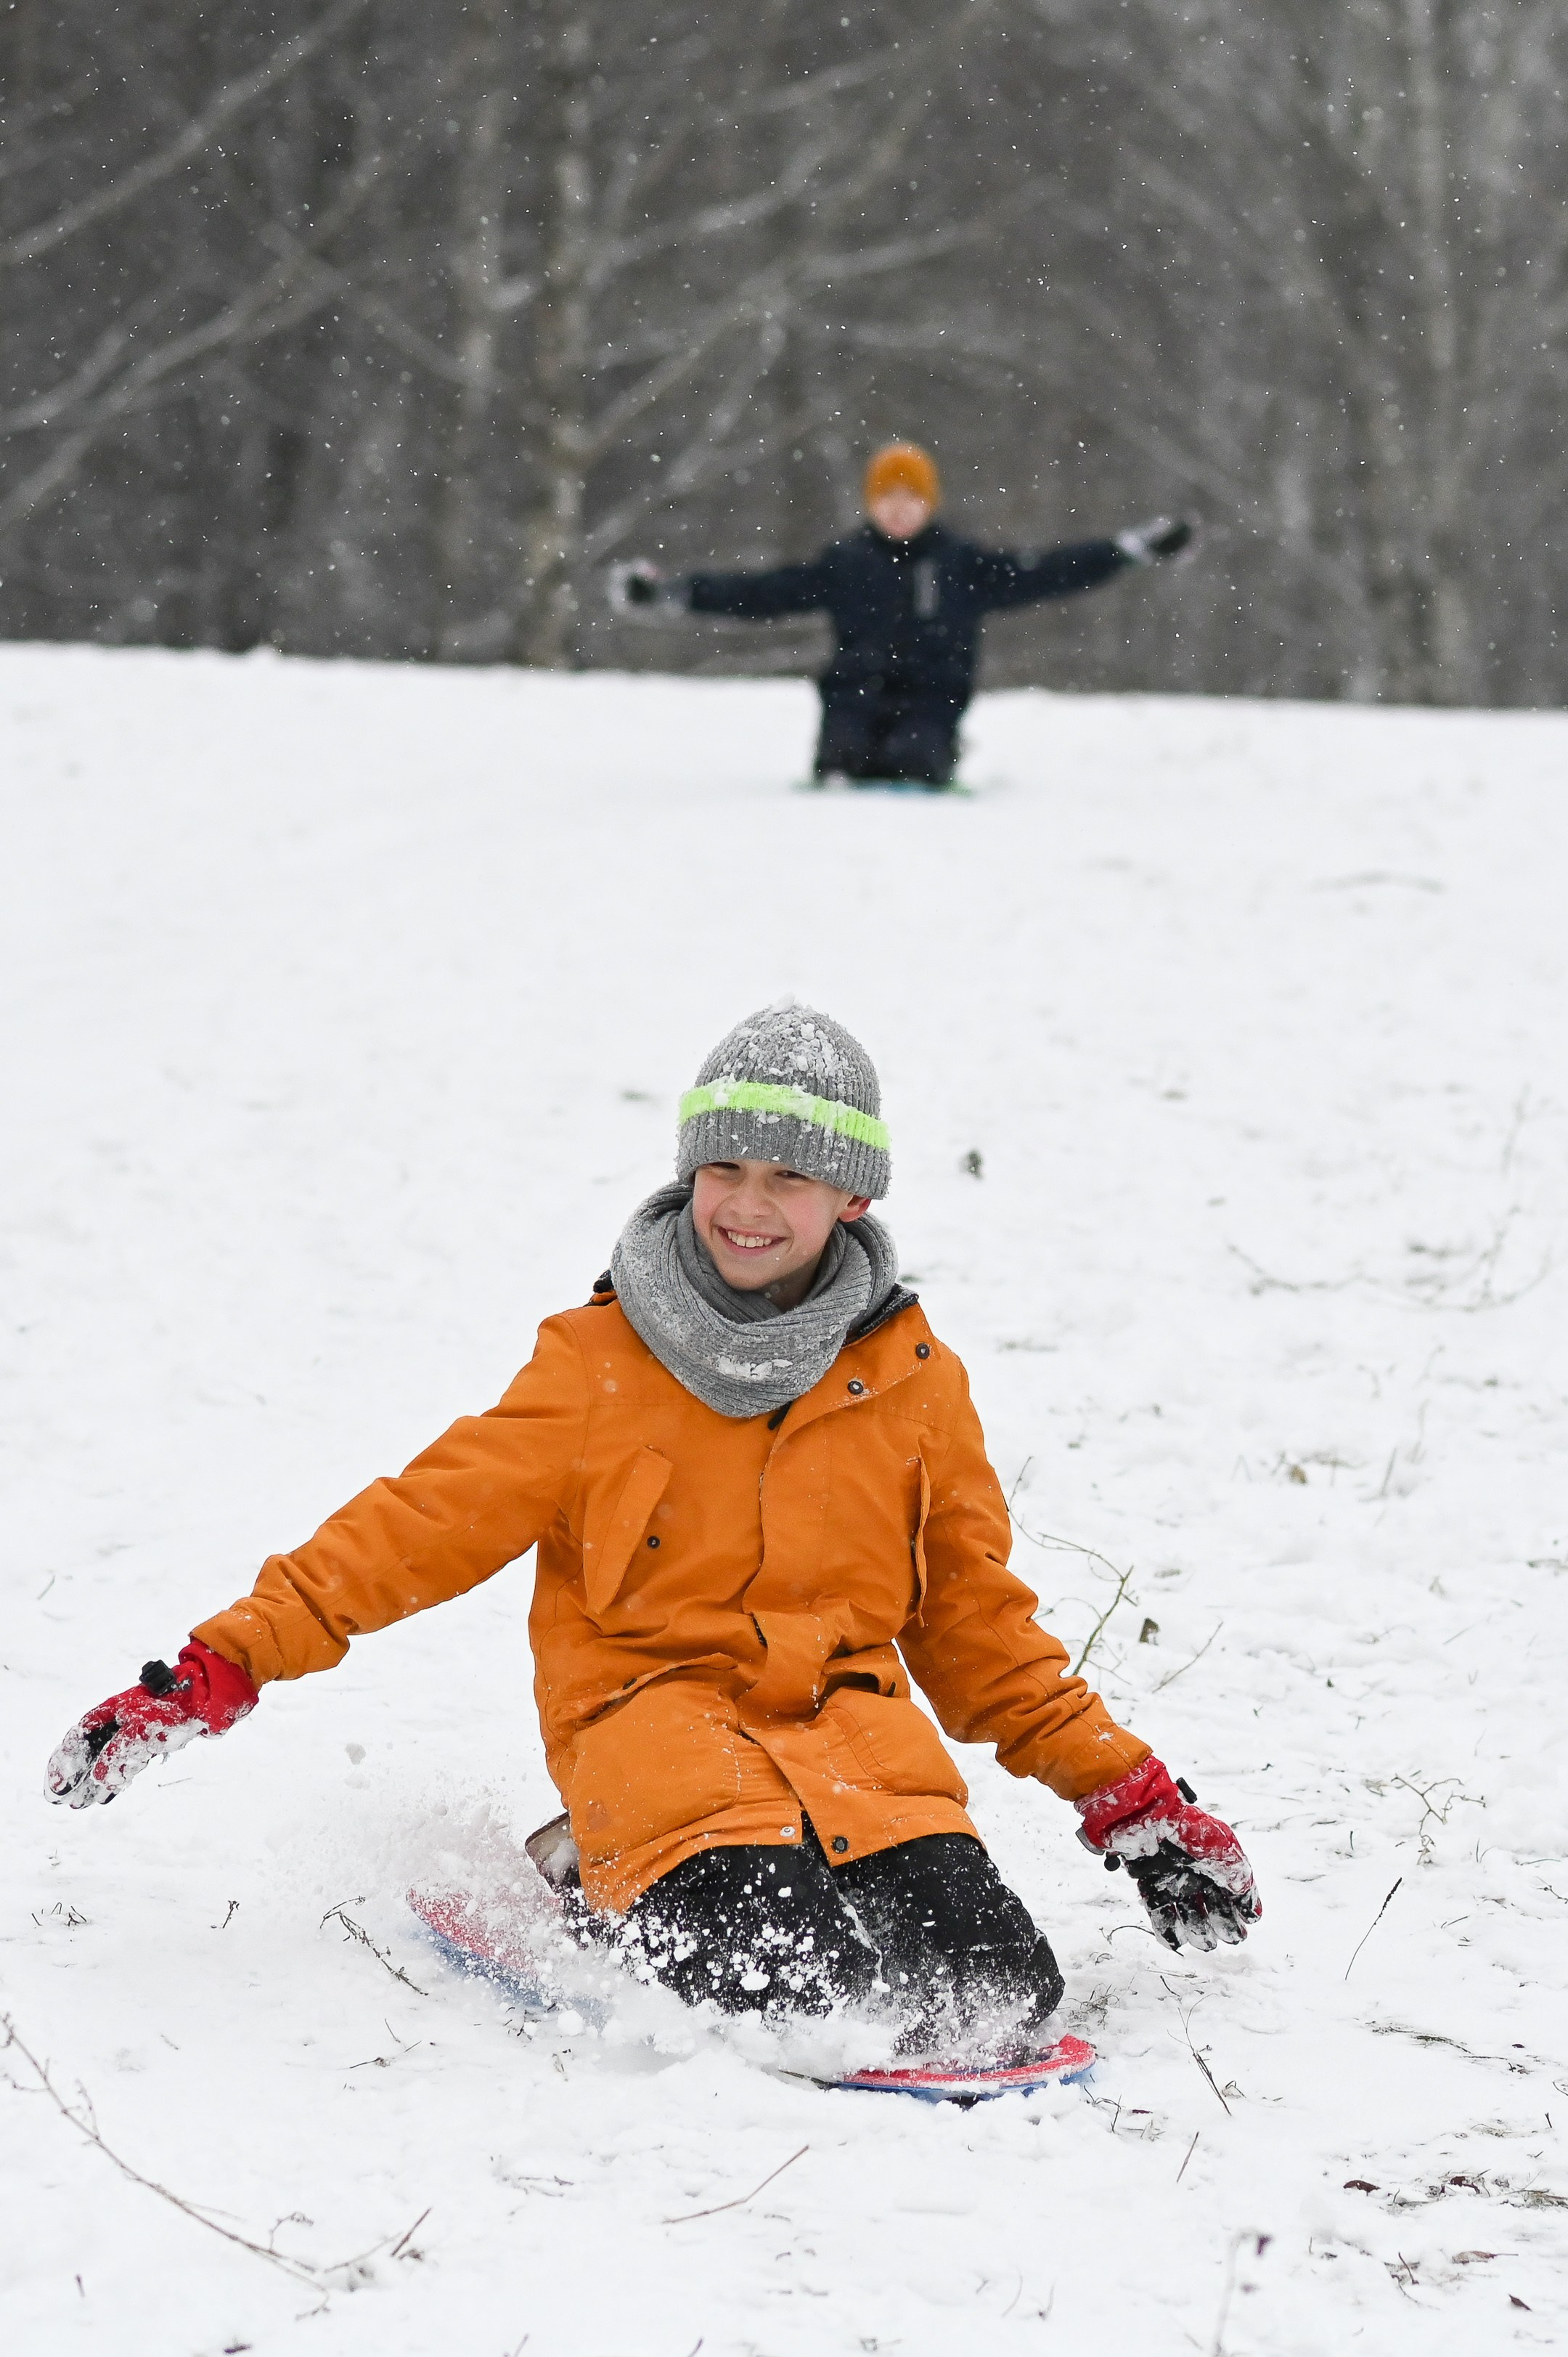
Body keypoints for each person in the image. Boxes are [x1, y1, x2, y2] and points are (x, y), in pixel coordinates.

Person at [47, 1003, 1257, 2061]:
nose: (747, 1204)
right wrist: (223, 1664)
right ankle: (590, 1868)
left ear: (853, 1196)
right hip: (656, 1741)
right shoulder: (597, 1365)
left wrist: (1130, 1799)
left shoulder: (913, 1381)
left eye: (789, 1178)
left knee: (999, 1997)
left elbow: (978, 1626)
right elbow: (416, 1525)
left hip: (861, 1756)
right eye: (724, 1167)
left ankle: (766, 1885)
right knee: (794, 1994)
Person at [613, 442, 1193, 788]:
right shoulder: (846, 562)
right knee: (843, 762)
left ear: (928, 504)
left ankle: (939, 750)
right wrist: (671, 593)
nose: (898, 510)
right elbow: (763, 593)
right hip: (855, 698)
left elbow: (1048, 571)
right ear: (871, 505)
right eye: (887, 499)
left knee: (914, 762)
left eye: (909, 499)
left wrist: (1128, 550)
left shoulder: (961, 564)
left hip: (930, 704)